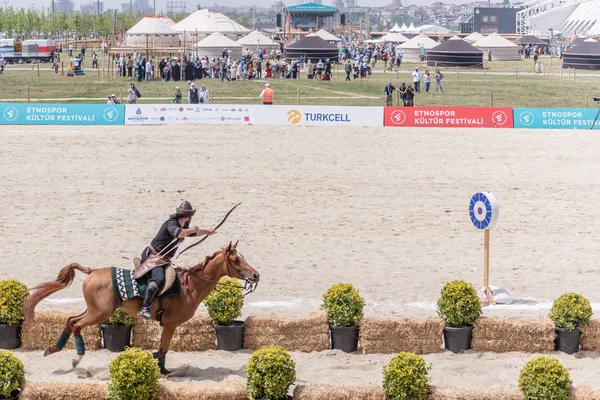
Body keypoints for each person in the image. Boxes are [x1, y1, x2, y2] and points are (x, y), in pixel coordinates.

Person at [136, 201, 214, 319]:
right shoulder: (171, 224)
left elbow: (192, 233)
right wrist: (192, 229)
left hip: (162, 260)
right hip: (153, 257)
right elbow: (179, 234)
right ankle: (145, 307)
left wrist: (206, 232)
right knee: (159, 278)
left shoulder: (181, 227)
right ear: (187, 217)